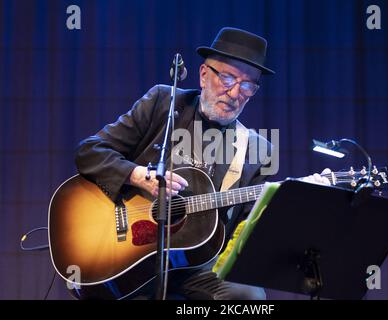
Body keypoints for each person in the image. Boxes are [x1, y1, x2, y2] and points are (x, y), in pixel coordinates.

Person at [75, 27, 329, 300]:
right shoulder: (163, 103)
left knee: (250, 298)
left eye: (247, 85)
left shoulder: (257, 149)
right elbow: (90, 151)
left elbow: (247, 232)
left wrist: (295, 201)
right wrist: (137, 176)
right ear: (204, 75)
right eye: (228, 77)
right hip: (129, 254)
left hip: (197, 268)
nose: (235, 93)